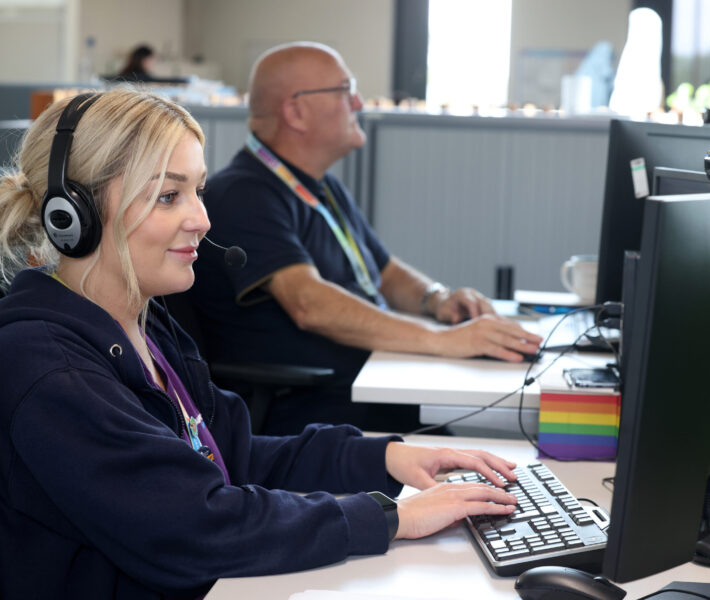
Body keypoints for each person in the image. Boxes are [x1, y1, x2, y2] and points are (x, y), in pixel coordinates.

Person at [0, 89, 521, 598]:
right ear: (75, 215)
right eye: (169, 196)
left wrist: (384, 458)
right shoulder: (51, 369)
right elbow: (194, 525)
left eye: (198, 191)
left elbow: (233, 456)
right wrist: (391, 517)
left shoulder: (144, 326)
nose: (202, 219)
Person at [190, 41, 542, 434]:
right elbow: (309, 304)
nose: (358, 102)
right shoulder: (243, 195)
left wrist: (438, 299)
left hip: (364, 387)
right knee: (484, 443)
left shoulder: (321, 187)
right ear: (296, 111)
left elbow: (385, 273)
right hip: (310, 416)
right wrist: (443, 340)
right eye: (346, 90)